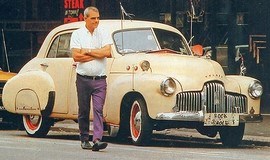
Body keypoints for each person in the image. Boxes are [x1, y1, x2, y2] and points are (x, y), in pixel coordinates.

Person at [70, 6, 112, 151]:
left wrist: (87, 51)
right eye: (93, 18)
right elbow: (76, 56)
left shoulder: (104, 33)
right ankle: (84, 138)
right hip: (83, 79)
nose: (96, 21)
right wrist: (97, 53)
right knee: (83, 109)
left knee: (98, 109)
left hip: (100, 79)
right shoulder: (77, 34)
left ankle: (97, 139)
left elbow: (107, 52)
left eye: (98, 18)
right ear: (85, 18)